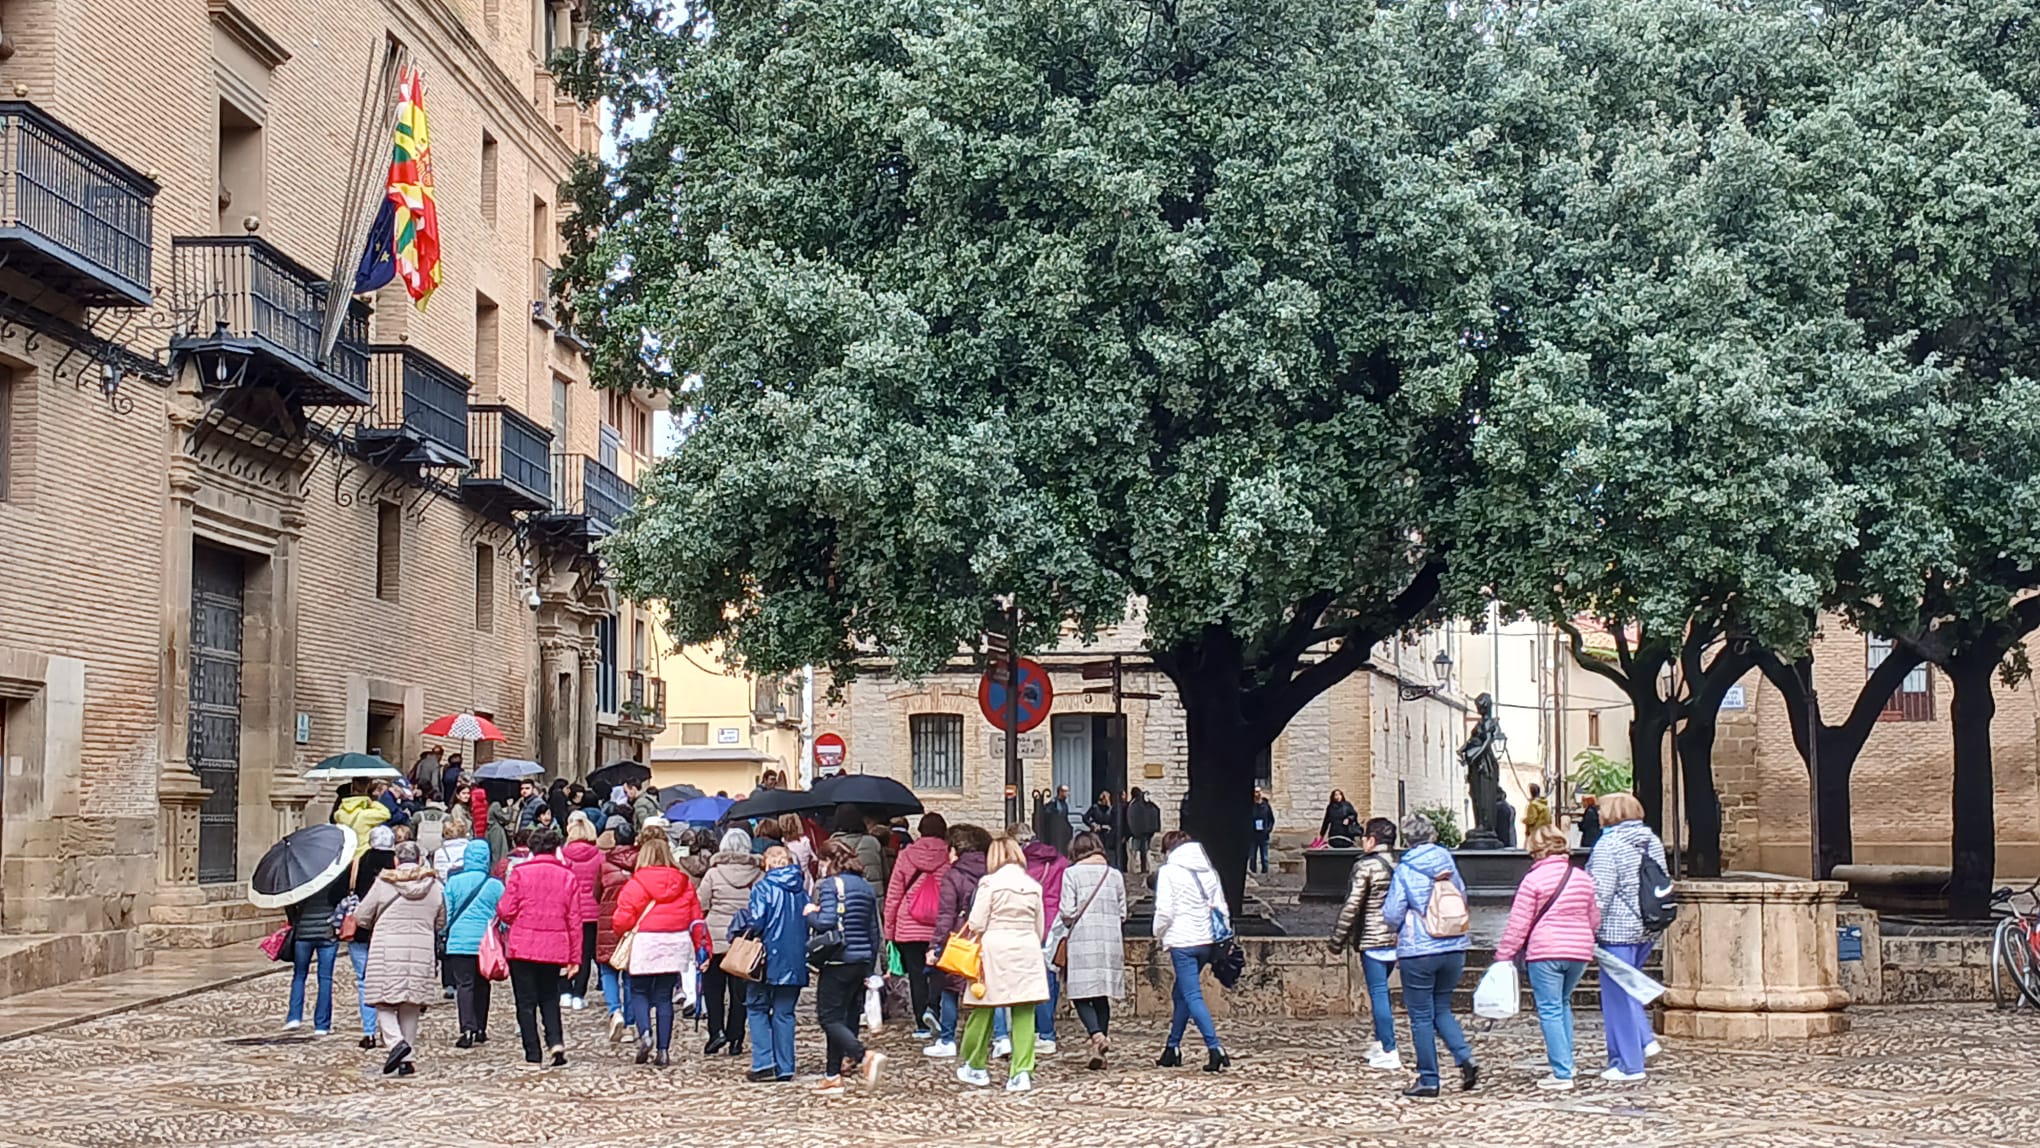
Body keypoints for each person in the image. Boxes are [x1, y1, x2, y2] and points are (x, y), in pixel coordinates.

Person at [1381, 812, 1479, 1098]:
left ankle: (1428, 1078)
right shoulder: (1448, 862)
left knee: (1421, 1015)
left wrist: (1393, 927)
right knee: (1442, 1007)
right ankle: (1464, 1058)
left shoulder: (1405, 868)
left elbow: (1393, 910)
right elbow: (1462, 896)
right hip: (1454, 945)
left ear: (1407, 839)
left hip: (1420, 949)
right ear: (1433, 835)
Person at [1495, 826, 1600, 1090]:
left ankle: (1562, 1072)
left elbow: (1519, 923)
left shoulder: (1533, 880)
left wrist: (1504, 955)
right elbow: (1594, 918)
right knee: (1562, 1004)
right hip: (1579, 952)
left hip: (1545, 951)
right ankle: (1567, 1062)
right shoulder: (1581, 877)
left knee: (1550, 1008)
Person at [955, 835, 1049, 1092]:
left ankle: (975, 1065)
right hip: (1027, 949)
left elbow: (976, 922)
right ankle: (1021, 1072)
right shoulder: (1033, 886)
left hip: (994, 950)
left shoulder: (989, 883)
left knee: (982, 1007)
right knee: (1024, 1012)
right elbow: (1040, 927)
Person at [1586, 791, 1666, 1082]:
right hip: (1647, 925)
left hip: (1617, 930)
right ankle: (1641, 1042)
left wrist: (1587, 928)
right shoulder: (1651, 841)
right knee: (1629, 987)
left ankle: (1628, 1063)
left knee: (1618, 996)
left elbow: (1600, 894)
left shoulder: (1609, 845)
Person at [496, 826, 585, 1067]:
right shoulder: (567, 876)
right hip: (555, 946)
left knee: (525, 1002)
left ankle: (532, 1052)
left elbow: (505, 910)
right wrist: (575, 958)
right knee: (549, 997)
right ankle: (555, 1042)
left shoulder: (520, 872)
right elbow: (574, 919)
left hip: (522, 945)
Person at [614, 832, 705, 1066]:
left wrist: (621, 931)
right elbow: (695, 917)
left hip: (645, 941)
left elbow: (623, 918)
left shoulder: (636, 883)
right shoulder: (683, 883)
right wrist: (702, 946)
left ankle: (645, 1033)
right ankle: (663, 1051)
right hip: (675, 941)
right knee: (664, 996)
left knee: (639, 991)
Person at [354, 840, 444, 1076]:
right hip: (421, 948)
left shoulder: (384, 883)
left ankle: (396, 1043)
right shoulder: (434, 886)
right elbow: (441, 919)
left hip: (387, 948)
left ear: (396, 860)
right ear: (419, 860)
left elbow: (361, 915)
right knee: (410, 1003)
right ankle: (408, 1058)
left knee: (382, 1000)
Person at [807, 840, 886, 1095]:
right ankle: (832, 1076)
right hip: (861, 960)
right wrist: (871, 968)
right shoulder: (864, 886)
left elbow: (827, 921)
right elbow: (874, 930)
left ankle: (863, 1056)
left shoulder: (832, 885)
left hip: (838, 959)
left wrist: (810, 912)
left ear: (829, 861)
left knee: (828, 1017)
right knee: (842, 1019)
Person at [1151, 829, 1232, 1072]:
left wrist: (1157, 932)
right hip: (1207, 941)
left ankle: (1215, 1047)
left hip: (1183, 942)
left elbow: (1165, 910)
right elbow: (1221, 906)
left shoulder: (1168, 872)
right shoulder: (1209, 871)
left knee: (1193, 996)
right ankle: (1172, 1047)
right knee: (1181, 993)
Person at [1050, 830, 1127, 1071]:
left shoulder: (1072, 874)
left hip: (1082, 939)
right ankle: (1099, 1050)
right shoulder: (1113, 875)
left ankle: (1097, 1036)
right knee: (1101, 994)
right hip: (1109, 941)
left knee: (1080, 992)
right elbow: (1123, 911)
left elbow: (1067, 911)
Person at [1330, 816, 1402, 1071]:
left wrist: (1337, 939)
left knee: (1379, 993)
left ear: (1372, 840)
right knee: (1381, 992)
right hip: (1396, 938)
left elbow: (1352, 906)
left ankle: (1389, 1048)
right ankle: (1382, 1040)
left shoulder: (1365, 866)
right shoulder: (1399, 863)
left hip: (1373, 939)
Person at [741, 844, 810, 1083]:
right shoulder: (801, 890)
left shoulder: (763, 888)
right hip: (795, 958)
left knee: (757, 1007)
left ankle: (764, 1062)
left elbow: (757, 921)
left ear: (767, 864)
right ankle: (785, 1065)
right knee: (785, 1013)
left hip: (767, 958)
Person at [923, 823, 992, 1059]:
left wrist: (935, 946)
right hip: (987, 937)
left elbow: (945, 915)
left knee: (949, 989)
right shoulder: (992, 871)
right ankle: (998, 1038)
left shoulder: (953, 875)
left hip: (959, 939)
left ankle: (948, 1039)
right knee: (989, 988)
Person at [884, 812, 951, 1037]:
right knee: (939, 971)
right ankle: (935, 1010)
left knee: (916, 974)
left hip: (909, 924)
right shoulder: (949, 855)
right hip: (940, 923)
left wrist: (889, 928)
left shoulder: (906, 855)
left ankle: (922, 1024)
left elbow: (894, 893)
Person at [699, 827, 762, 1056]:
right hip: (743, 939)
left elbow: (701, 903)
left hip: (715, 938)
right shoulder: (758, 874)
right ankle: (736, 1037)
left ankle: (716, 1031)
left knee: (713, 989)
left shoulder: (713, 874)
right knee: (740, 993)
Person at [442, 835, 502, 1048]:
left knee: (464, 985)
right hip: (486, 943)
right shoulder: (495, 885)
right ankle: (481, 1028)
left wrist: (444, 932)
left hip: (459, 941)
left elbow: (446, 914)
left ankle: (467, 1028)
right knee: (483, 985)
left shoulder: (453, 882)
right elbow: (501, 915)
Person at [1014, 823, 1068, 1056]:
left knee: (1029, 980)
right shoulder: (1060, 861)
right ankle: (1046, 1029)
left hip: (1028, 924)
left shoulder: (1020, 865)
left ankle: (1042, 1032)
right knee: (1049, 978)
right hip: (1053, 924)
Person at [348, 825, 397, 1048]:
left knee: (364, 981)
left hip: (362, 931)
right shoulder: (397, 865)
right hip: (389, 930)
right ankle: (392, 1031)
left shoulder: (359, 863)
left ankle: (369, 1032)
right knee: (391, 980)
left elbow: (337, 894)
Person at [282, 870, 347, 1035]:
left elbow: (290, 904)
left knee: (299, 976)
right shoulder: (335, 878)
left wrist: (295, 920)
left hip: (303, 933)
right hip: (327, 934)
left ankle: (294, 1017)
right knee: (325, 979)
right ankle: (322, 1025)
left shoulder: (300, 880)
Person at [594, 819, 640, 1044]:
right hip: (634, 922)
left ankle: (615, 1011)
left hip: (608, 920)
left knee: (608, 970)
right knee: (631, 976)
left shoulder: (605, 864)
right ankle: (631, 1024)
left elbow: (597, 893)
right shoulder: (641, 863)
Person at [560, 812, 605, 1010]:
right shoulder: (599, 856)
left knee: (565, 953)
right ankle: (579, 994)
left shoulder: (562, 856)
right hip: (592, 912)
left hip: (568, 911)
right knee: (585, 954)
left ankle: (564, 991)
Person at [829, 805, 886, 891]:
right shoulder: (873, 842)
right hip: (873, 894)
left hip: (844, 895)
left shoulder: (832, 845)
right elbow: (885, 872)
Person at [334, 779, 390, 857]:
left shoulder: (340, 814)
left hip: (345, 854)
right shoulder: (366, 815)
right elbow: (386, 814)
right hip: (362, 854)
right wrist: (372, 803)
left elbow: (334, 818)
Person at [1082, 791, 1121, 870]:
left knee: (1107, 851)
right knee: (1096, 849)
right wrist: (1092, 824)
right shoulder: (1095, 807)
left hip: (1107, 834)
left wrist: (1110, 828)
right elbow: (1085, 818)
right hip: (1097, 833)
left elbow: (1114, 822)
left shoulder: (1111, 809)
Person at [1125, 788, 1162, 873]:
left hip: (1137, 833)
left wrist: (1132, 832)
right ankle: (1146, 869)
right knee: (1145, 851)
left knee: (1134, 852)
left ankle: (1133, 869)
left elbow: (1131, 818)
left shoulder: (1133, 805)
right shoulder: (1150, 805)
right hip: (1147, 832)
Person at [780, 813, 816, 877]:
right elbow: (815, 858)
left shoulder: (784, 842)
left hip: (793, 876)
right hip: (806, 875)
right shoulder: (805, 841)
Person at [1250, 787, 1276, 874]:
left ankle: (1265, 872)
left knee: (1264, 856)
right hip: (1253, 835)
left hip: (1264, 835)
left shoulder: (1266, 806)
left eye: (1258, 792)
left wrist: (1268, 829)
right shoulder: (1251, 806)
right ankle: (1253, 871)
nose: (1256, 794)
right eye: (1255, 792)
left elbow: (1271, 819)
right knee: (1252, 856)